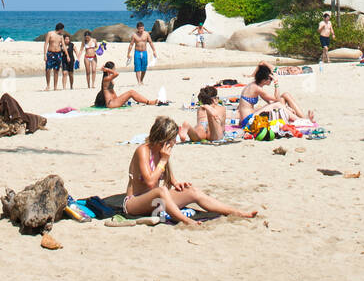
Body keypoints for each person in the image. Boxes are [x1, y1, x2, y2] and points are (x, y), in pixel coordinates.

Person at [123, 116, 258, 225]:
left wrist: (177, 184)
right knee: (161, 191)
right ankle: (187, 221)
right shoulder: (144, 150)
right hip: (134, 203)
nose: (174, 143)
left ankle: (236, 212)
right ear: (163, 140)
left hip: (155, 202)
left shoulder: (161, 152)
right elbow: (151, 183)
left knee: (191, 191)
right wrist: (164, 160)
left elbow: (168, 178)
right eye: (173, 139)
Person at [237, 64, 302, 127]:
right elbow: (276, 99)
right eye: (270, 79)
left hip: (249, 117)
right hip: (247, 121)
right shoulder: (257, 88)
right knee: (277, 104)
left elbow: (271, 101)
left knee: (282, 99)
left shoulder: (255, 86)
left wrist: (285, 107)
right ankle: (300, 120)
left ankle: (300, 118)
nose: (271, 80)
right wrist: (276, 83)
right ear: (264, 80)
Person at [43, 22, 66, 91]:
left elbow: (64, 45)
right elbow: (46, 44)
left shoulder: (61, 36)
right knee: (48, 70)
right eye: (62, 29)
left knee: (56, 70)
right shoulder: (50, 33)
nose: (63, 31)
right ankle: (48, 85)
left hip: (58, 54)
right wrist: (45, 54)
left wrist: (67, 55)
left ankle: (55, 87)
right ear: (60, 29)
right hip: (50, 53)